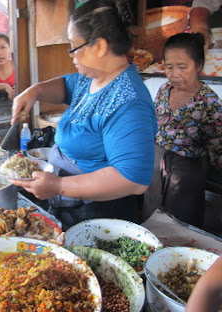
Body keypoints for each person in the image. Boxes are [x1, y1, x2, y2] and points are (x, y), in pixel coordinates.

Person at [10, 0, 157, 229]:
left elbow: (132, 179)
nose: (71, 55)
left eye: (74, 46)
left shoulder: (128, 103)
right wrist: (34, 91)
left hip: (99, 217)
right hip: (68, 207)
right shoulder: (92, 78)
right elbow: (66, 86)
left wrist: (59, 186)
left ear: (99, 46)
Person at [143, 33, 222, 227]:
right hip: (155, 168)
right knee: (150, 219)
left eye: (182, 67)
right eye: (169, 67)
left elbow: (217, 148)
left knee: (180, 227)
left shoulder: (209, 102)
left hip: (186, 175)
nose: (174, 74)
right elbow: (154, 124)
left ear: (198, 65)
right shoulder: (163, 90)